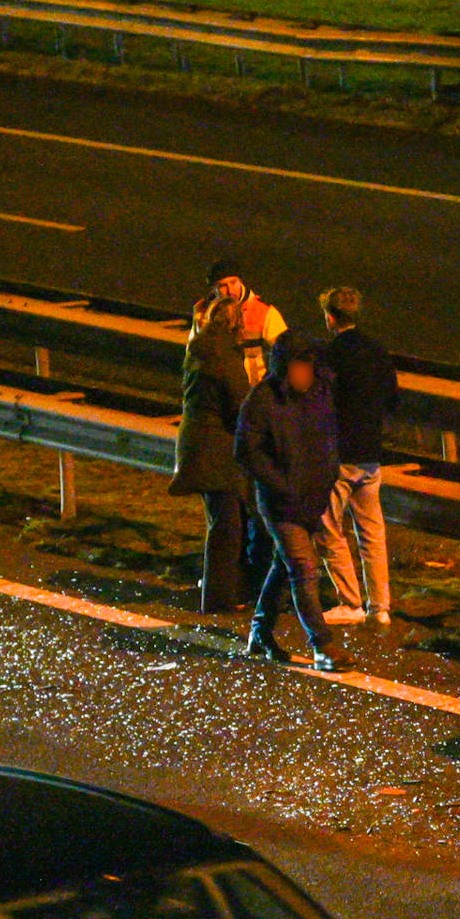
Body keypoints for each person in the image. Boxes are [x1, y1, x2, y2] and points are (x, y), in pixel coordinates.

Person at [236, 331, 354, 673]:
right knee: (304, 568)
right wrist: (282, 484)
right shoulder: (262, 401)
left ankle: (260, 631)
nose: (304, 374)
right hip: (280, 503)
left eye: (308, 367)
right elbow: (247, 452)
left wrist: (328, 474)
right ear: (283, 368)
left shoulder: (319, 395)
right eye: (297, 368)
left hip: (312, 498)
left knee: (284, 567)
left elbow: (330, 439)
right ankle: (323, 645)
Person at [314, 286, 401, 627]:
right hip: (370, 455)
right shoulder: (377, 351)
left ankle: (349, 601)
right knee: (372, 532)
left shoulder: (330, 355)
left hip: (340, 455)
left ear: (330, 317)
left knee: (328, 526)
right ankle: (381, 607)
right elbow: (393, 398)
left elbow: (319, 401)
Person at [169, 295, 253, 612]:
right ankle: (220, 600)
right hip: (215, 449)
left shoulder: (200, 345)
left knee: (221, 521)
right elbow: (238, 403)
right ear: (236, 324)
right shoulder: (225, 354)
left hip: (196, 442)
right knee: (228, 525)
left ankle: (224, 594)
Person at [196, 258, 287, 388]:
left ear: (240, 281)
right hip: (218, 389)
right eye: (222, 286)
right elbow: (194, 353)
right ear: (213, 289)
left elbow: (286, 352)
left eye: (233, 282)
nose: (230, 290)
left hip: (251, 390)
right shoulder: (204, 313)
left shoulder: (264, 312)